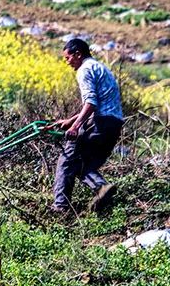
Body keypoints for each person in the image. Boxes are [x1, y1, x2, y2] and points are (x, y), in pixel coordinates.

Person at [50, 38, 124, 213]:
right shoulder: (99, 67)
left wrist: (75, 127)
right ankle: (101, 188)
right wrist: (70, 121)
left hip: (99, 123)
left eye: (68, 58)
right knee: (83, 163)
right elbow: (98, 103)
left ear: (78, 54)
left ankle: (60, 207)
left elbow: (90, 103)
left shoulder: (84, 70)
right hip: (114, 124)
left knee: (67, 160)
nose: (67, 63)